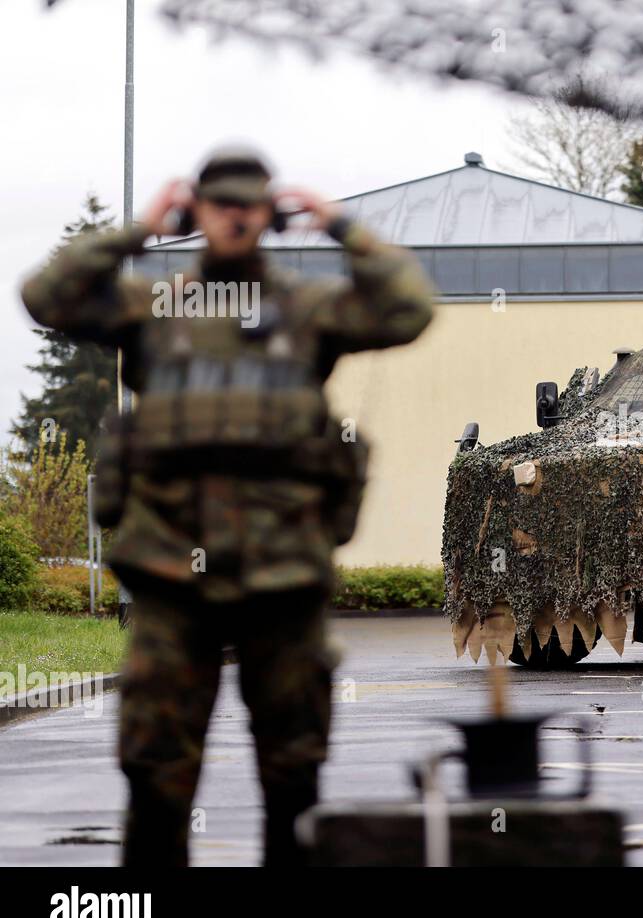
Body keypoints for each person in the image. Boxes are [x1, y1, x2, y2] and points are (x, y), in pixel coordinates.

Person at [20, 148, 435, 866]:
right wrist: (139, 231)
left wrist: (341, 226)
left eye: (250, 203)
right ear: (196, 213)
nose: (235, 215)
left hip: (284, 575)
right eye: (220, 203)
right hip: (169, 575)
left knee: (293, 771)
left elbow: (408, 307)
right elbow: (44, 297)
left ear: (270, 214)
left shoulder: (305, 309)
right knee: (156, 771)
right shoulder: (156, 305)